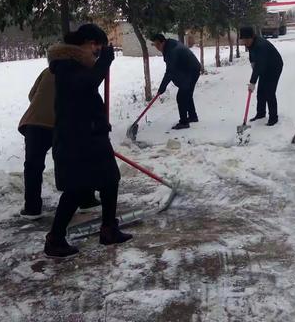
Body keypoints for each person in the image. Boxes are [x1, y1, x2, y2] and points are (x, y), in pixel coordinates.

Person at [45, 24, 132, 258]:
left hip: (90, 135)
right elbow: (87, 84)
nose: (97, 50)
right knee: (76, 188)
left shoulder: (77, 64)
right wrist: (105, 63)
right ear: (84, 42)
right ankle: (55, 239)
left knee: (109, 180)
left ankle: (109, 229)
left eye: (100, 47)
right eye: (96, 45)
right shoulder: (65, 65)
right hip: (76, 139)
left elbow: (87, 91)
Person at [18, 69, 100, 220]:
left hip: (35, 121)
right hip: (62, 123)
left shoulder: (48, 70)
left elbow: (32, 95)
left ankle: (32, 208)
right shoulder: (80, 72)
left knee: (33, 165)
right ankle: (87, 200)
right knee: (76, 159)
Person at [151, 34, 201, 130]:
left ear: (162, 42)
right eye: (154, 45)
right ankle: (192, 116)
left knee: (181, 96)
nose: (157, 47)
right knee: (187, 93)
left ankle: (184, 122)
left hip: (191, 70)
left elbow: (170, 71)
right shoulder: (170, 45)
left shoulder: (171, 51)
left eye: (157, 45)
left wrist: (162, 88)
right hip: (191, 69)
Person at [239, 26, 283, 126]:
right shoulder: (251, 44)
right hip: (264, 66)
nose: (245, 42)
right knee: (261, 92)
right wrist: (252, 63)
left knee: (269, 91)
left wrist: (252, 82)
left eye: (246, 40)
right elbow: (253, 57)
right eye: (243, 40)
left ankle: (273, 117)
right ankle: (260, 114)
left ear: (252, 37)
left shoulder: (260, 45)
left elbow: (259, 66)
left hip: (274, 66)